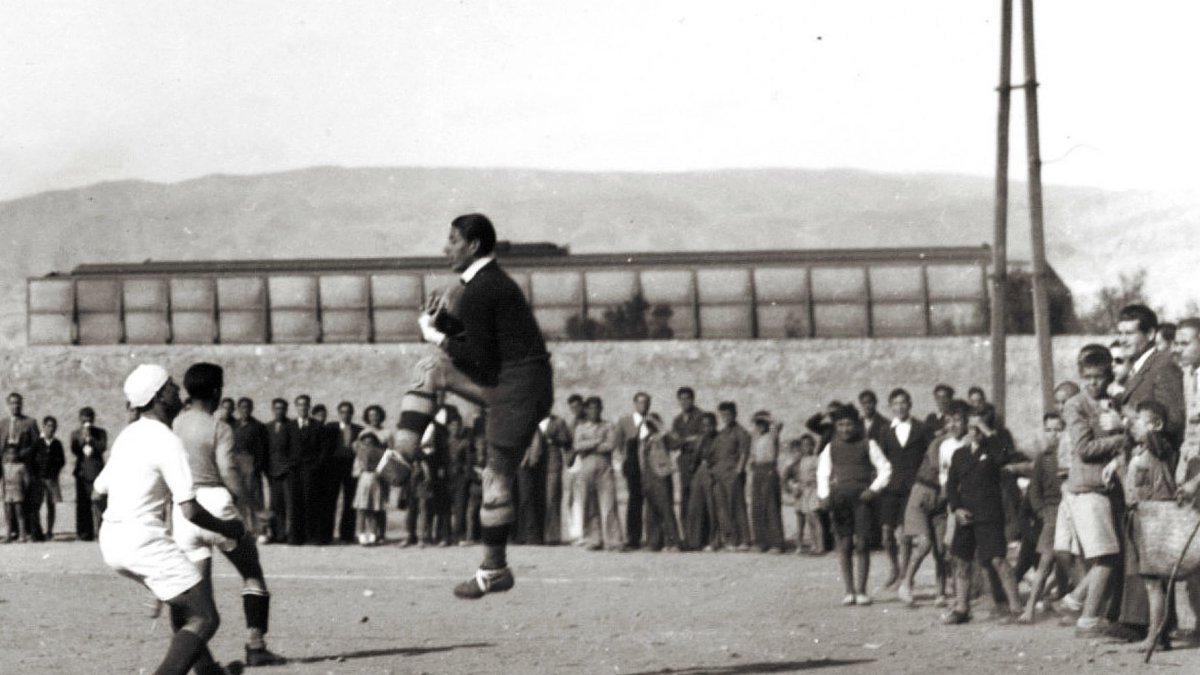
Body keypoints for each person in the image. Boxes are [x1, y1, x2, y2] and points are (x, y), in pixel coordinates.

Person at [389, 214, 554, 598]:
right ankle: (402, 456)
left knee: (496, 481)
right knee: (432, 368)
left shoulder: (482, 289)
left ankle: (494, 569)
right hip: (515, 384)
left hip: (515, 389)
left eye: (452, 240)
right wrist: (445, 327)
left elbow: (478, 359)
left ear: (474, 245)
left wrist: (434, 334)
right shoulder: (484, 284)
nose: (445, 248)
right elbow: (486, 345)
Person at [94, 364, 246, 675]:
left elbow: (97, 493)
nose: (179, 393)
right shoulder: (166, 440)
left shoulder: (128, 435)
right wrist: (228, 527)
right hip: (142, 540)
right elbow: (190, 510)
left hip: (112, 540)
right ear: (160, 396)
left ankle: (208, 672)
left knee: (184, 603)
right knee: (205, 617)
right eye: (173, 388)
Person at [172, 363, 285, 667]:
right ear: (217, 390)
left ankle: (200, 661)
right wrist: (252, 506)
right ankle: (256, 644)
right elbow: (229, 472)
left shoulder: (175, 424)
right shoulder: (219, 427)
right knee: (251, 572)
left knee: (199, 598)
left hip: (183, 511)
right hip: (215, 504)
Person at [1053, 344, 1128, 637]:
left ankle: (1074, 600)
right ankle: (1087, 619)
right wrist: (1122, 437)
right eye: (1088, 377)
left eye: (1099, 377)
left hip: (1105, 488)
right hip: (1087, 487)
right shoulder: (1076, 405)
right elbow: (1084, 449)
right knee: (1106, 557)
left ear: (1108, 374)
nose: (1093, 383)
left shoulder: (1111, 400)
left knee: (1109, 554)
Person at [942, 406, 1022, 625]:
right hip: (965, 515)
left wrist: (988, 432)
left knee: (998, 560)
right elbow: (950, 485)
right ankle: (961, 608)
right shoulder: (959, 454)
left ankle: (1016, 608)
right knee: (962, 561)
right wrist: (957, 508)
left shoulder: (994, 452)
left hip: (989, 514)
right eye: (970, 428)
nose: (973, 433)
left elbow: (1007, 455)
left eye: (977, 429)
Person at [897, 400, 971, 607]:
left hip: (942, 501)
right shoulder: (940, 443)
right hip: (923, 496)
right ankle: (906, 583)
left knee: (941, 550)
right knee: (924, 543)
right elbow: (941, 471)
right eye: (949, 421)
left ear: (966, 423)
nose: (954, 425)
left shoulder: (967, 443)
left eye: (958, 421)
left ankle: (940, 593)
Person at [817, 404, 891, 606]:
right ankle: (849, 590)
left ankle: (862, 590)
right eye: (840, 425)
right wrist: (824, 495)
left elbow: (885, 469)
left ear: (857, 425)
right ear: (836, 426)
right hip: (840, 500)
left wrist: (874, 489)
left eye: (849, 424)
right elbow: (823, 473)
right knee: (845, 543)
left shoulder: (868, 444)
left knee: (862, 543)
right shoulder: (831, 446)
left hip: (862, 500)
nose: (845, 429)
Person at [1123, 399, 1178, 652]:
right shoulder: (1145, 451)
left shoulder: (1159, 448)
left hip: (1154, 519)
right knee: (1152, 582)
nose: (1130, 424)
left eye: (1137, 420)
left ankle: (1154, 637)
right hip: (1146, 518)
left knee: (1154, 583)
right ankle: (1158, 634)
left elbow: (1156, 439)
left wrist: (1149, 434)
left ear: (1155, 425)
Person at [877, 387, 932, 590]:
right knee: (886, 534)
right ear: (890, 407)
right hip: (891, 488)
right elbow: (880, 459)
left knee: (906, 535)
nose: (900, 407)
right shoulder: (885, 431)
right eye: (896, 403)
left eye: (903, 403)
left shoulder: (921, 428)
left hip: (913, 487)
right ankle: (894, 567)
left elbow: (929, 456)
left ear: (910, 404)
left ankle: (904, 575)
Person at [1018, 412, 1071, 624]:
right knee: (1046, 561)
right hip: (1052, 512)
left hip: (1072, 509)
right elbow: (1034, 490)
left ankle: (1068, 605)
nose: (1054, 435)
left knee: (1071, 561)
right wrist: (1042, 512)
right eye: (1049, 430)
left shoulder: (1072, 455)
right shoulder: (1044, 458)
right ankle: (1029, 608)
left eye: (1058, 430)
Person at [574, 396, 623, 551]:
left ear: (601, 409)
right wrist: (596, 441)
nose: (594, 411)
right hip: (586, 467)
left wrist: (589, 445)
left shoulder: (608, 425)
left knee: (609, 504)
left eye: (597, 408)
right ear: (586, 410)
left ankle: (614, 540)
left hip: (604, 467)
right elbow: (577, 446)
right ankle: (593, 538)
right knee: (589, 503)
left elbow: (610, 445)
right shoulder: (581, 427)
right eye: (590, 408)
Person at [613, 392, 654, 551]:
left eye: (647, 402)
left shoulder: (654, 421)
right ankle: (633, 537)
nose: (644, 406)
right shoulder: (625, 422)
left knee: (652, 500)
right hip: (633, 466)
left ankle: (653, 537)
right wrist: (621, 464)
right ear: (635, 404)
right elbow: (617, 445)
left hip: (650, 466)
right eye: (641, 402)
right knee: (634, 501)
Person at [711, 401, 752, 552]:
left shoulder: (741, 432)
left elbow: (744, 453)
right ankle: (730, 540)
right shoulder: (721, 434)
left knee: (737, 507)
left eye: (728, 414)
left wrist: (738, 472)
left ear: (735, 414)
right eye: (722, 415)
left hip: (733, 475)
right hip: (720, 475)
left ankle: (744, 540)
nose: (725, 417)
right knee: (722, 508)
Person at [1, 392, 42, 541]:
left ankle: (27, 532)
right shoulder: (3, 423)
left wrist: (23, 454)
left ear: (21, 404)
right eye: (12, 403)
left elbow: (37, 445)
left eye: (18, 403)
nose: (15, 406)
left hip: (24, 467)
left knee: (25, 500)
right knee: (8, 502)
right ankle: (10, 532)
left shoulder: (30, 422)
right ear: (8, 404)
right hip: (7, 468)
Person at [669, 387, 706, 545]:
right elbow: (673, 443)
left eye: (687, 398)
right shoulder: (677, 420)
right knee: (685, 498)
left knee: (698, 498)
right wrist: (687, 440)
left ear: (693, 399)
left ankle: (700, 538)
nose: (684, 402)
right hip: (684, 461)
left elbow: (702, 439)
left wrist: (684, 440)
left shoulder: (702, 416)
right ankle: (687, 536)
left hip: (698, 461)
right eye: (681, 399)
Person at [640, 413, 681, 551]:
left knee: (666, 509)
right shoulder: (645, 439)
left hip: (661, 476)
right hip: (649, 477)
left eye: (651, 424)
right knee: (651, 511)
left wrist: (659, 425)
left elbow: (676, 443)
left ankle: (673, 542)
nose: (649, 426)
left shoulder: (663, 437)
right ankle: (654, 542)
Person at [231, 398, 270, 542]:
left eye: (247, 407)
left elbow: (262, 449)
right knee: (240, 498)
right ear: (238, 409)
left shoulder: (257, 426)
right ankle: (244, 530)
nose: (244, 410)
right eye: (242, 407)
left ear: (251, 409)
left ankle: (261, 531)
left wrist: (257, 466)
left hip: (251, 463)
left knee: (255, 498)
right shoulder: (234, 425)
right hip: (236, 463)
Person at [684, 412, 724, 551]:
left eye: (709, 425)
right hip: (699, 472)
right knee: (695, 506)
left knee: (712, 507)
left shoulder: (719, 438)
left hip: (712, 471)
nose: (706, 428)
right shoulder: (700, 439)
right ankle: (694, 541)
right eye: (704, 425)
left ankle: (713, 541)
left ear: (714, 425)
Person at [352, 405, 391, 545]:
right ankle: (364, 533)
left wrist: (385, 471)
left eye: (376, 415)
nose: (374, 417)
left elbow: (390, 453)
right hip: (367, 474)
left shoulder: (387, 433)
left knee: (379, 504)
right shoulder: (364, 432)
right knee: (365, 505)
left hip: (381, 472)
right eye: (371, 415)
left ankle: (381, 533)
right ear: (367, 417)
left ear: (380, 416)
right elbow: (359, 452)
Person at [748, 410, 785, 553]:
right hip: (758, 470)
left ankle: (776, 543)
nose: (759, 426)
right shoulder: (755, 437)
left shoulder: (772, 435)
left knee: (771, 505)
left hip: (769, 468)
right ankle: (760, 542)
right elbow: (753, 454)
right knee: (757, 506)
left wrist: (767, 417)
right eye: (758, 423)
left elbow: (779, 423)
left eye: (762, 423)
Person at [288, 394, 323, 546]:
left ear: (309, 407)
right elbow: (284, 447)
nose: (303, 408)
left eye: (305, 405)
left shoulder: (317, 425)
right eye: (300, 405)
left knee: (311, 502)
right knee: (296, 503)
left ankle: (312, 536)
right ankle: (296, 537)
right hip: (294, 470)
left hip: (311, 470)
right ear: (296, 407)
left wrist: (316, 466)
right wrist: (289, 464)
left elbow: (323, 449)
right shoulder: (289, 426)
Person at [70, 406, 108, 542]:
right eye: (84, 418)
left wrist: (91, 438)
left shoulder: (100, 433)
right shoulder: (75, 434)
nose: (87, 421)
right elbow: (74, 450)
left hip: (96, 471)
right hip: (82, 473)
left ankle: (101, 531)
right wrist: (82, 439)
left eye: (89, 418)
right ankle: (84, 533)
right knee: (82, 504)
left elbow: (102, 447)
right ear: (80, 419)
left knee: (98, 502)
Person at [535, 412, 572, 545]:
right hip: (536, 466)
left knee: (552, 498)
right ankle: (538, 534)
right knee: (538, 499)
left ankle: (553, 536)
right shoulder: (533, 419)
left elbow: (566, 439)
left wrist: (554, 440)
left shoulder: (558, 421)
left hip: (553, 463)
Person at [784, 435, 823, 554]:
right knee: (804, 518)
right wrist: (793, 487)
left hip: (812, 489)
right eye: (804, 445)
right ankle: (804, 545)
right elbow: (789, 476)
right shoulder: (798, 461)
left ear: (813, 446)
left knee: (814, 517)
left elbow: (821, 474)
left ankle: (820, 545)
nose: (806, 448)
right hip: (801, 491)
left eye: (809, 445)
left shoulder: (816, 459)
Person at [264, 398, 293, 544]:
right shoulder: (267, 427)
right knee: (274, 504)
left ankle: (286, 534)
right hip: (272, 471)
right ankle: (274, 533)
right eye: (276, 408)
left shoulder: (291, 426)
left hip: (287, 471)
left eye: (282, 408)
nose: (279, 411)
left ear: (286, 410)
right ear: (272, 409)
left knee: (288, 504)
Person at [31, 415, 65, 540]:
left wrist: (54, 472)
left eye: (53, 427)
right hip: (39, 479)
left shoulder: (57, 444)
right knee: (36, 505)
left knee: (51, 505)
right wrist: (35, 475)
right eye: (48, 426)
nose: (51, 429)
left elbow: (62, 461)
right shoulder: (38, 443)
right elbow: (31, 460)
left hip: (51, 479)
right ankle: (37, 532)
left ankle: (50, 531)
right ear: (43, 427)